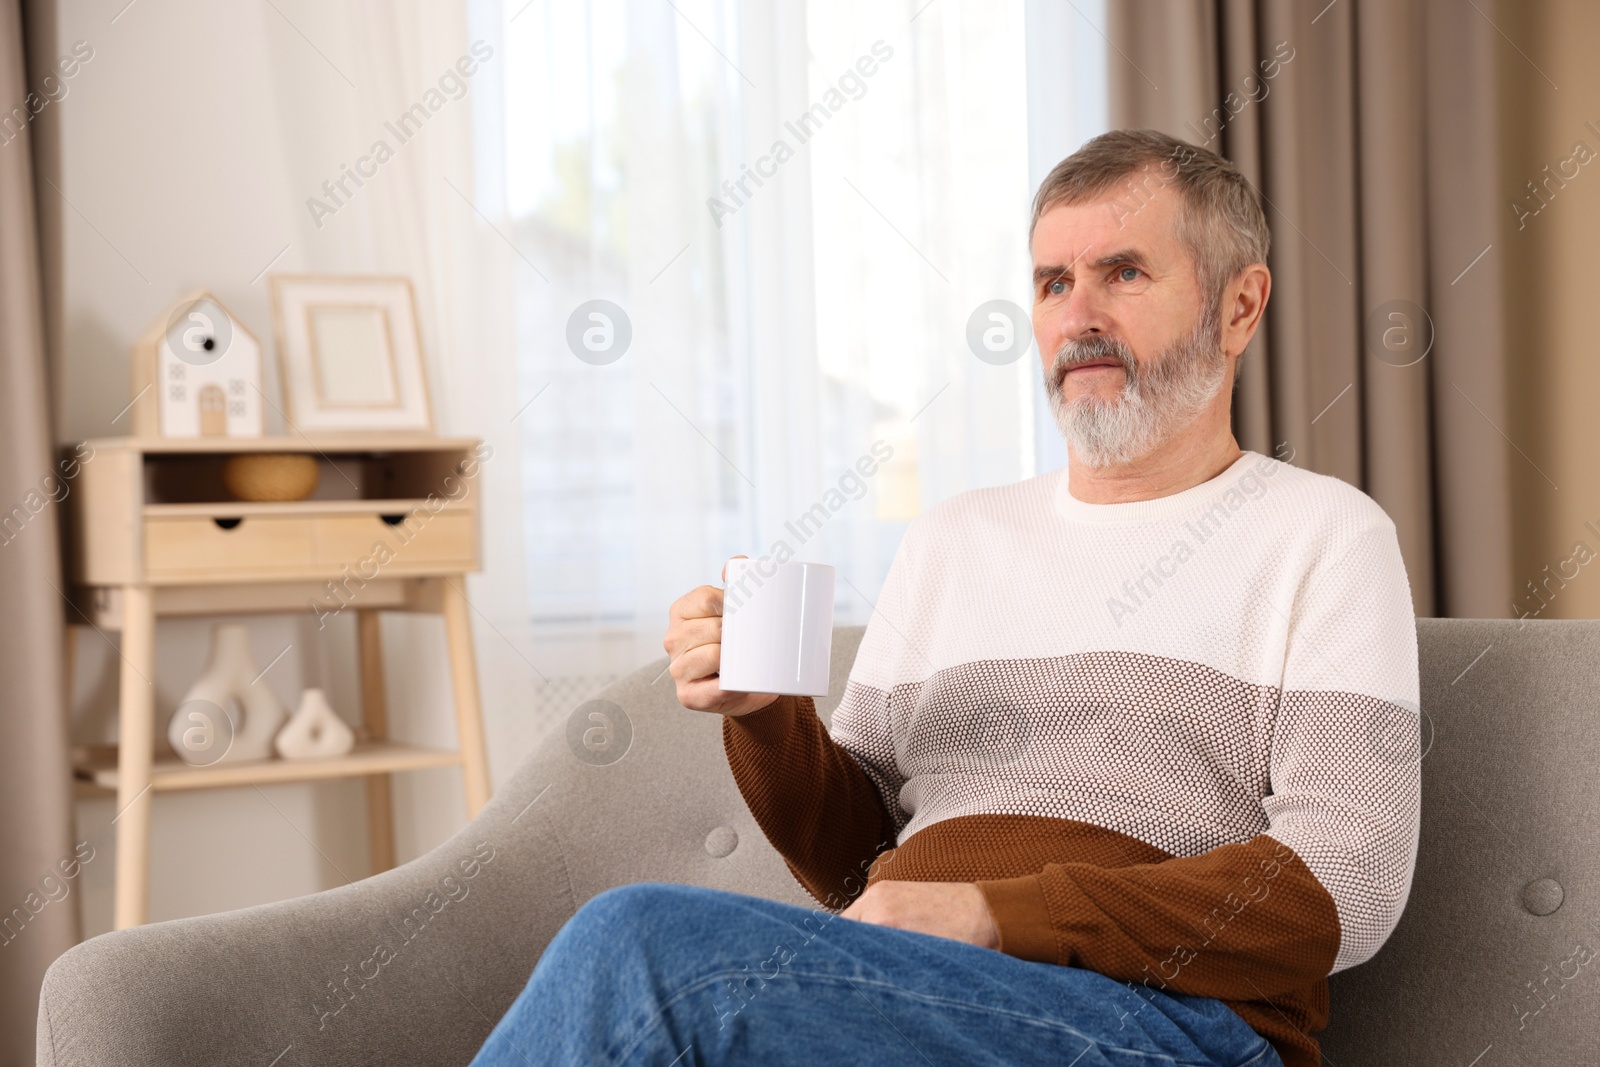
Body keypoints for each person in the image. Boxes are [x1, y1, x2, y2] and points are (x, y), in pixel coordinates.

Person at [470, 128, 1420, 1067]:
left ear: (1239, 307)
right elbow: (858, 861)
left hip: (1161, 1022)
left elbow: (1349, 879)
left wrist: (994, 913)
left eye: (1123, 274)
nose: (1077, 313)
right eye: (1053, 282)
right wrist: (767, 718)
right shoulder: (955, 537)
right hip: (915, 990)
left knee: (641, 944)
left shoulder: (1324, 534)